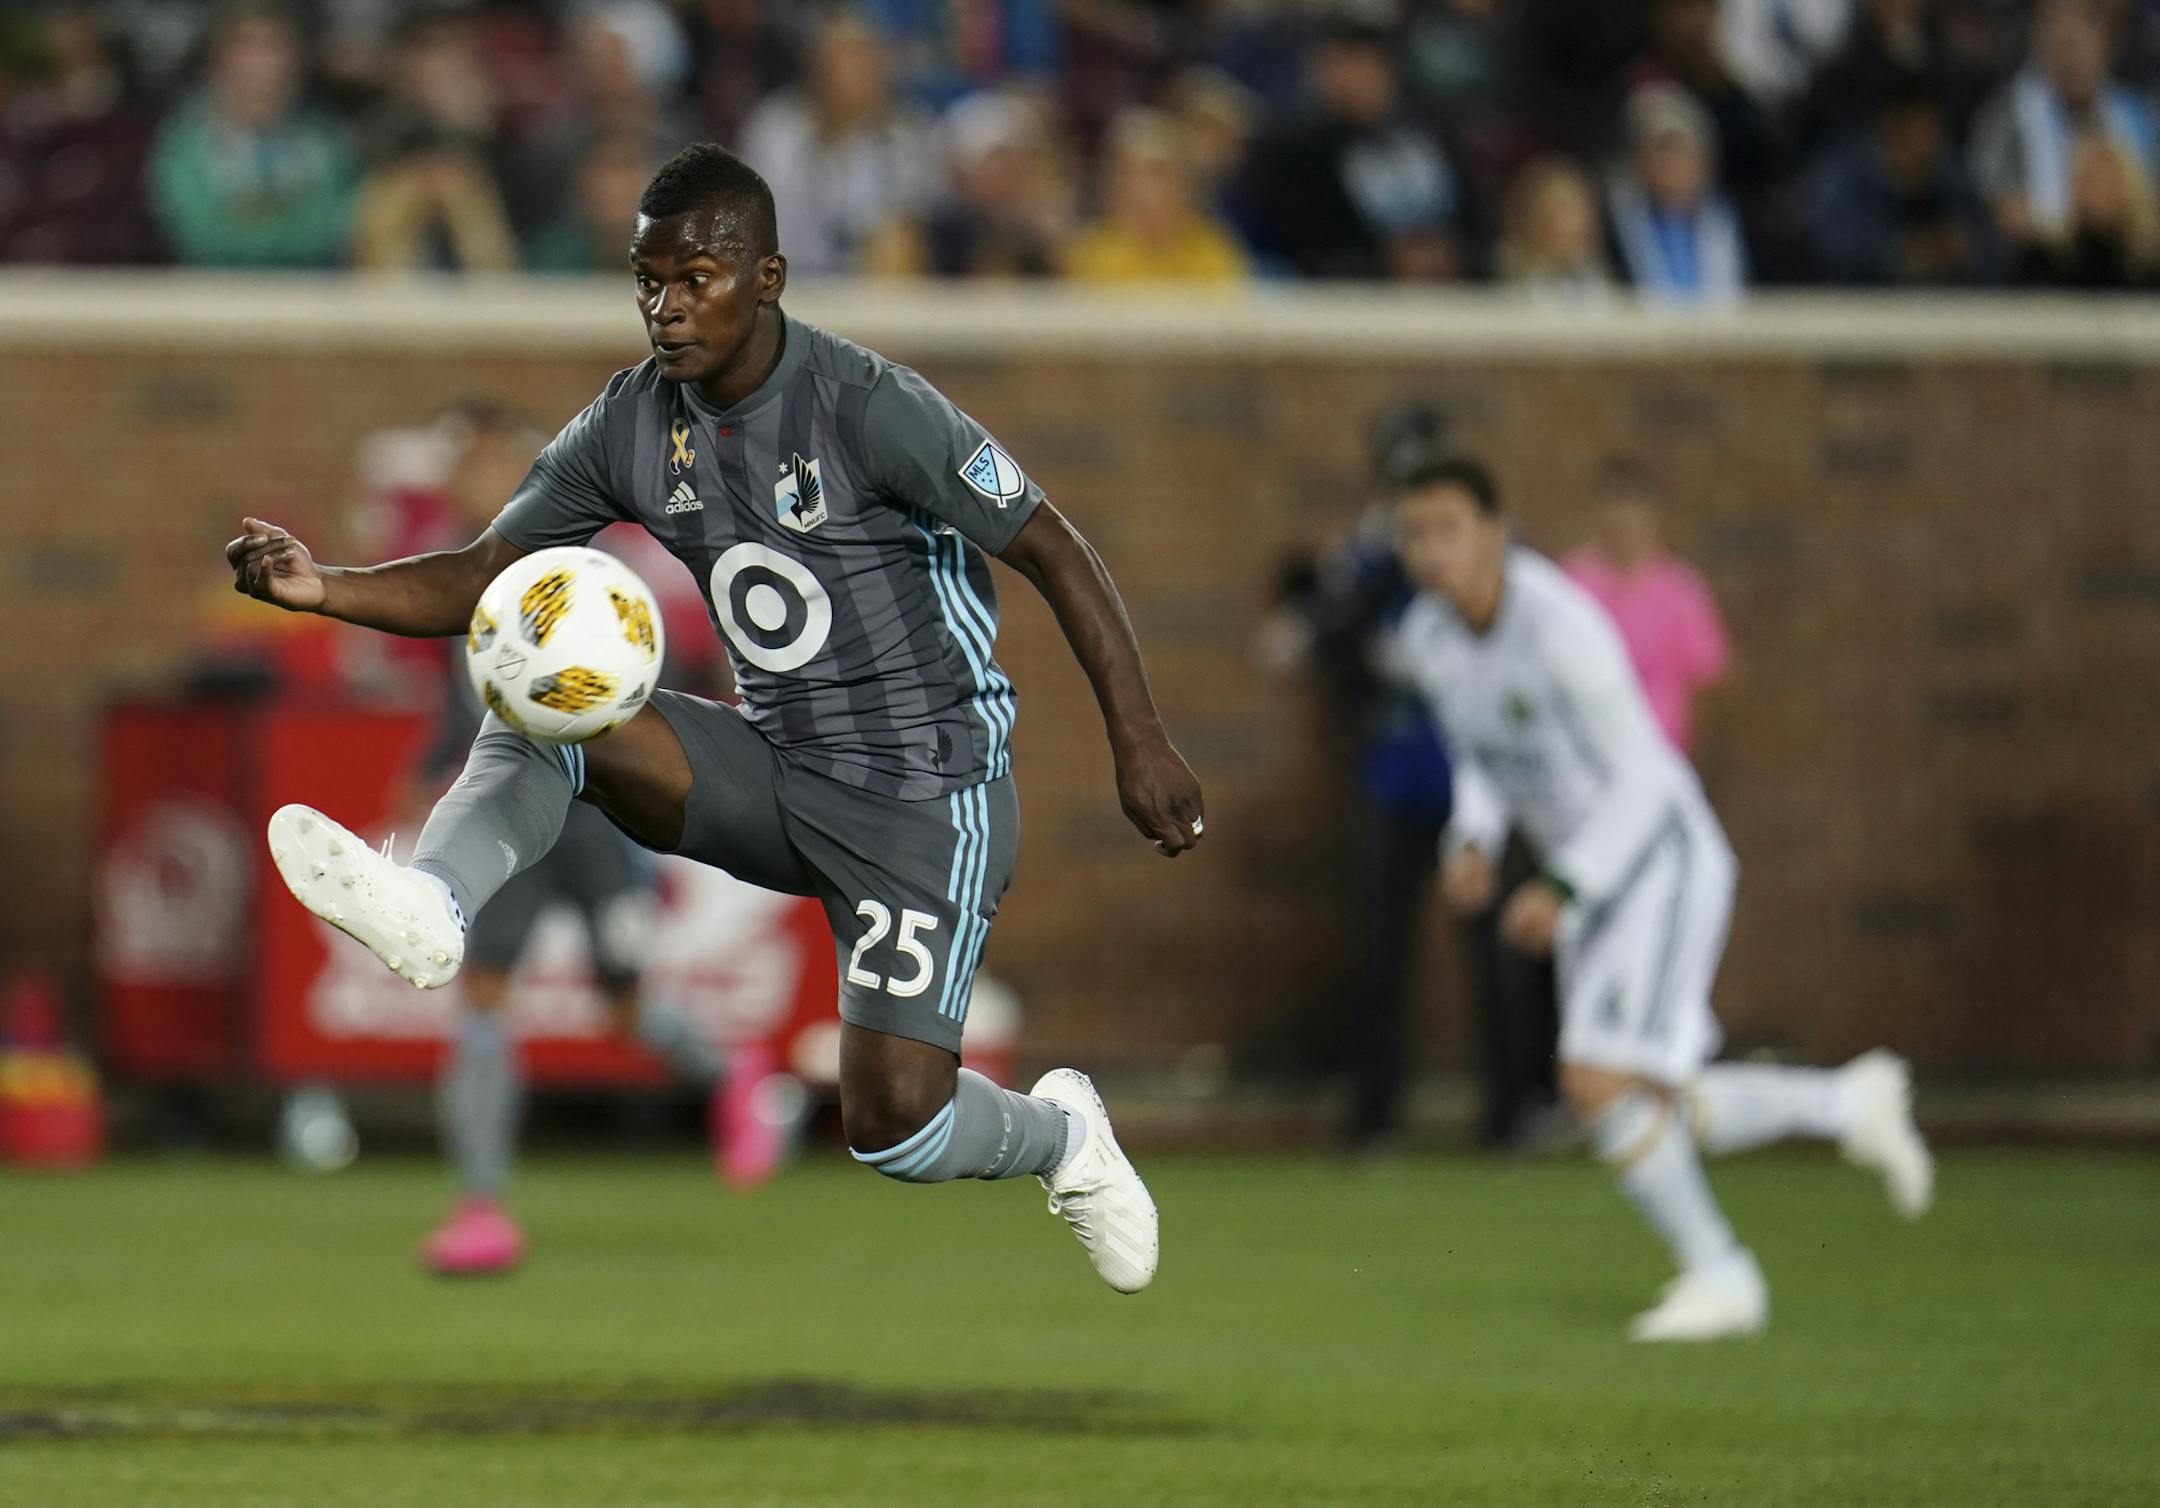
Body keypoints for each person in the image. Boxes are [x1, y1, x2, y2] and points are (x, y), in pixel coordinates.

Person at [224, 143, 1200, 1295]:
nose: (666, 307)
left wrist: (1138, 737)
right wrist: (320, 584)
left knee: (896, 1127)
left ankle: (1065, 1137)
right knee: (549, 689)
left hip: (923, 795)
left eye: (696, 279)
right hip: (776, 764)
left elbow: (1052, 544)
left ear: (769, 277)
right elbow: (489, 571)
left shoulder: (871, 406)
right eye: (648, 280)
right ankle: (434, 901)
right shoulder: (632, 423)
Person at [1387, 456, 1931, 1341]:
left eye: (1448, 527)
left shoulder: (1560, 625)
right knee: (1641, 1093)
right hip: (1589, 878)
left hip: (1659, 860)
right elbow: (1480, 755)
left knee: (1598, 1082)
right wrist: (1474, 840)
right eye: (1415, 533)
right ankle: (1846, 1106)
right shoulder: (1430, 638)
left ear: (1495, 530)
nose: (1431, 549)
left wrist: (1566, 883)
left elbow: (1647, 774)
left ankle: (1723, 1273)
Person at [386, 403, 724, 1276]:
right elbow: (467, 696)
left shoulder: (592, 568)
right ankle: (481, 1206)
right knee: (484, 995)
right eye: (464, 461)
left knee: (624, 1007)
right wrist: (429, 765)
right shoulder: (463, 575)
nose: (473, 478)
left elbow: (671, 673)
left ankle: (733, 1078)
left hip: (601, 812)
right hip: (513, 810)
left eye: (492, 459)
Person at [1233, 1, 1470, 281]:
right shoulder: (1291, 152)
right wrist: (1384, 262)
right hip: (1345, 303)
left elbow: (1474, 216)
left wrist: (1452, 254)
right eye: (1342, 61)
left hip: (1453, 296)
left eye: (1367, 60)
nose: (1355, 76)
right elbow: (1298, 242)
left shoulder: (1433, 133)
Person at [146, 6, 359, 269]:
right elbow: (201, 238)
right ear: (219, 59)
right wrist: (283, 220)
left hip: (309, 296)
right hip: (213, 298)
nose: (260, 63)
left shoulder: (324, 138)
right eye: (246, 46)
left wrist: (250, 220)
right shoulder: (185, 142)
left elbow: (330, 230)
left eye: (273, 46)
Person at [735, 11, 942, 278]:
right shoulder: (776, 131)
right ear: (816, 69)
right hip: (783, 281)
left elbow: (914, 230)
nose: (854, 75)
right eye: (843, 60)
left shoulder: (904, 140)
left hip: (867, 289)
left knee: (900, 241)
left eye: (865, 63)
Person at [1969, 0, 2159, 266]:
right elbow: (1998, 205)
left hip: (2130, 265)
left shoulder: (2135, 115)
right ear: (2039, 44)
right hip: (2037, 268)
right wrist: (2069, 221)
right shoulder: (2010, 116)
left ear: (2104, 42)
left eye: (2075, 44)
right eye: (2058, 45)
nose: (2068, 60)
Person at [1563, 457, 1729, 754]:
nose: (1623, 518)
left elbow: (1706, 681)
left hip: (1660, 753)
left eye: (1633, 504)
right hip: (1587, 754)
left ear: (1654, 512)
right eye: (1614, 503)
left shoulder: (1682, 590)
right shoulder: (1572, 583)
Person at [1065, 107, 1251, 285]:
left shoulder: (1216, 252)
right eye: (1128, 172)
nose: (1142, 187)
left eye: (1159, 172)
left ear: (1185, 182)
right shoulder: (1088, 256)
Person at [1605, 84, 1749, 306]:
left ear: (1704, 162)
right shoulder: (1614, 227)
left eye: (1681, 153)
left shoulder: (1734, 222)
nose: (1672, 167)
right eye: (1662, 154)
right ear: (1641, 162)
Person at [2014, 130, 2160, 290]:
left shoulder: (2149, 263)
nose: (2101, 190)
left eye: (2109, 180)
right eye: (2092, 179)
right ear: (2075, 187)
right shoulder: (2050, 259)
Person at [1496, 155, 1619, 306]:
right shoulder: (1506, 278)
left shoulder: (1597, 277)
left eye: (1577, 211)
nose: (1572, 225)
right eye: (1558, 211)